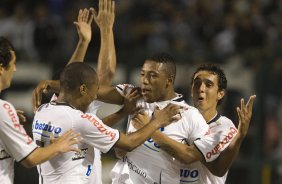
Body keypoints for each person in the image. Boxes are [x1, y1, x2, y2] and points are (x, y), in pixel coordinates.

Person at [32, 62, 181, 184]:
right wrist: (157, 122)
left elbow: (92, 129)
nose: (95, 97)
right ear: (83, 89)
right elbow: (129, 143)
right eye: (95, 91)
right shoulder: (80, 120)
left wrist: (123, 112)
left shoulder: (42, 111)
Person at [132, 63, 256, 183]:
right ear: (191, 90)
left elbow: (198, 160)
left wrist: (150, 129)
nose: (201, 89)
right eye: (197, 84)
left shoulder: (224, 127)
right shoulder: (175, 114)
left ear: (220, 94)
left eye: (208, 85)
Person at [0, 36, 82, 184]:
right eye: (13, 64)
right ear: (1, 68)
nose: (15, 69)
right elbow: (31, 158)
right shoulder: (3, 109)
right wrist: (58, 146)